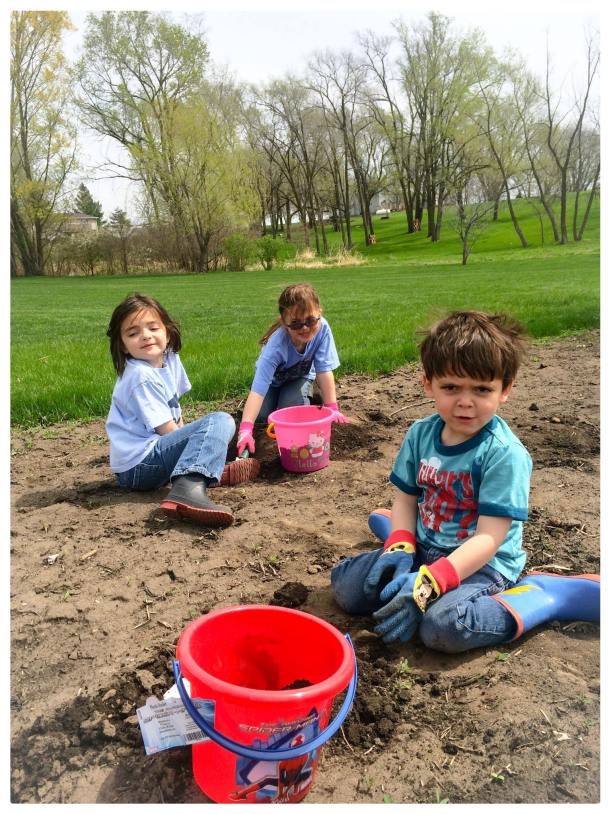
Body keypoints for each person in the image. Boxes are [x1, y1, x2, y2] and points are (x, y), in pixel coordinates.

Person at [331, 311, 599, 653]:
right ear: (428, 383)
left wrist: (432, 582)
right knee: (347, 588)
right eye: (451, 387)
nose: (466, 402)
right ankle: (399, 534)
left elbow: (489, 537)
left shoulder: (503, 454)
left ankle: (545, 595)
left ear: (506, 389)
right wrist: (401, 543)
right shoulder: (420, 434)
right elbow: (406, 500)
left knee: (442, 628)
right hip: (427, 546)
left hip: (483, 562)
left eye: (482, 389)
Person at [105, 293, 259, 527]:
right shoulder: (139, 376)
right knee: (220, 421)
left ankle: (204, 472)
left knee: (210, 430)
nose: (145, 336)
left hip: (150, 458)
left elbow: (174, 411)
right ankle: (189, 486)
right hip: (139, 466)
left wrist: (193, 443)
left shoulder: (169, 359)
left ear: (167, 332)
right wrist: (193, 443)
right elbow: (167, 430)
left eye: (153, 328)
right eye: (133, 333)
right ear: (123, 346)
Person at [236, 283, 348, 457]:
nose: (304, 328)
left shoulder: (323, 329)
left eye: (310, 320)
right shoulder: (276, 346)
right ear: (284, 322)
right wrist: (245, 429)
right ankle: (258, 410)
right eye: (295, 324)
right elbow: (258, 389)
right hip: (272, 384)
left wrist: (332, 407)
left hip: (299, 378)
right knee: (262, 417)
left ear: (320, 313)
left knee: (292, 413)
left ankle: (313, 394)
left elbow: (324, 370)